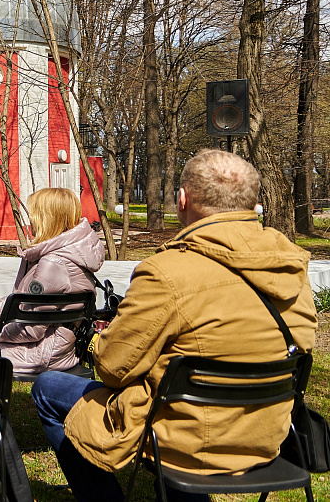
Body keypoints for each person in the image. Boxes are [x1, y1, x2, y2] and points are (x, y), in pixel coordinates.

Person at [32, 149, 319, 502]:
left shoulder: (165, 273)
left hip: (185, 442)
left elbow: (111, 368)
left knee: (47, 387)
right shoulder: (292, 267)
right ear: (251, 204)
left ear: (182, 200)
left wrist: (97, 342)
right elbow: (300, 347)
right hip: (265, 437)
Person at [0, 188, 103, 373]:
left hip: (44, 352)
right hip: (59, 347)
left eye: (34, 215)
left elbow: (30, 330)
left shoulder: (53, 264)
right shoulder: (68, 253)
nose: (30, 220)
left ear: (47, 218)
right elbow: (21, 300)